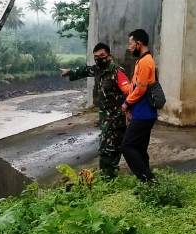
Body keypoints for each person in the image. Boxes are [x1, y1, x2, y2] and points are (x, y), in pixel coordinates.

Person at [61, 43, 131, 180]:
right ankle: (109, 179)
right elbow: (85, 70)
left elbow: (129, 92)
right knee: (108, 150)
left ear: (109, 56)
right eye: (96, 57)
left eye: (102, 56)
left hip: (116, 119)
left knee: (109, 151)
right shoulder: (98, 69)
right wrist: (69, 72)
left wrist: (129, 111)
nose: (99, 59)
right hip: (106, 119)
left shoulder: (117, 71)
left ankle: (108, 180)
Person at [120, 29, 158, 182]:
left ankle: (148, 180)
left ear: (138, 43)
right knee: (140, 149)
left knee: (127, 146)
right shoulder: (142, 61)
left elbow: (141, 88)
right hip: (142, 112)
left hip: (144, 113)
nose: (129, 47)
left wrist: (126, 103)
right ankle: (148, 185)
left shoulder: (145, 62)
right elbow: (134, 86)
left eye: (131, 43)